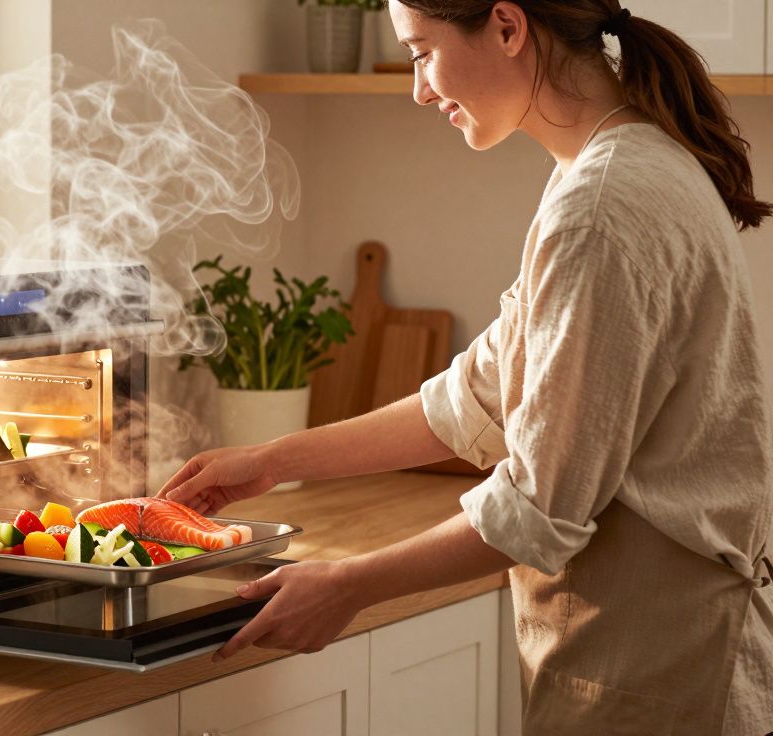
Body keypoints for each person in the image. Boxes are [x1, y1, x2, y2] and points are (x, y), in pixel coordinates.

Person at [158, 1, 773, 733]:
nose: (419, 87)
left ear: (508, 27)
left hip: (657, 667)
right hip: (655, 655)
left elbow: (540, 509)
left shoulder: (601, 206)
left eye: (422, 51)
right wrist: (273, 458)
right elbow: (479, 394)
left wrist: (350, 583)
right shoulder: (609, 167)